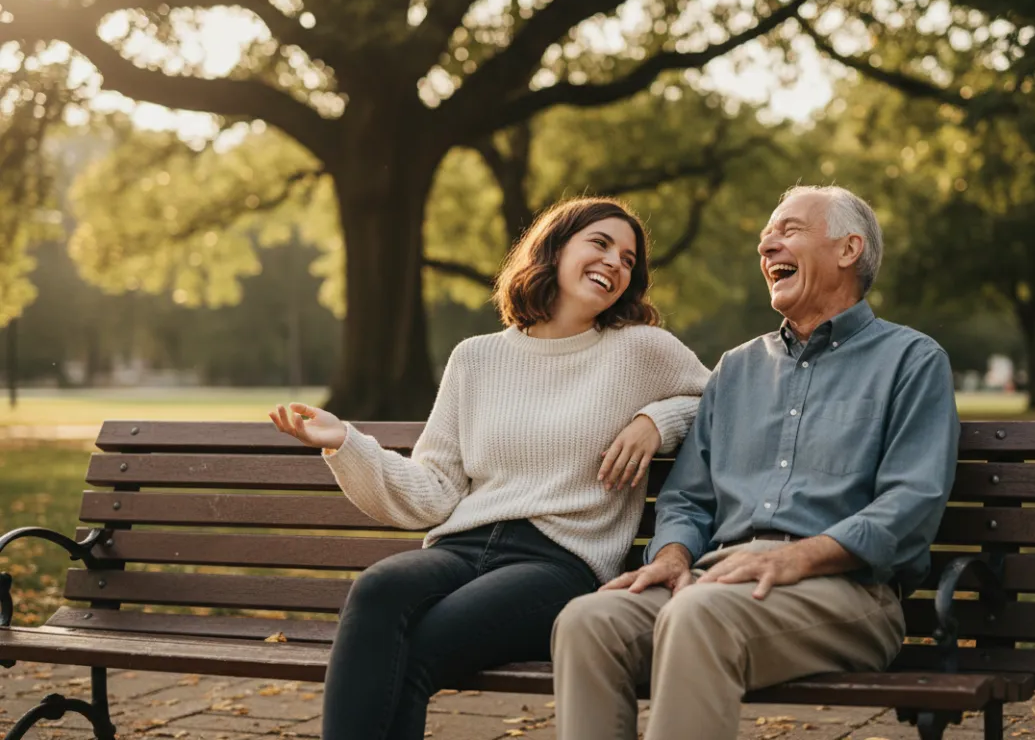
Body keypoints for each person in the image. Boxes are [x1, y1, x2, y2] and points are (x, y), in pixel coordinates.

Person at [269, 197, 710, 740]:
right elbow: (432, 491)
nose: (616, 262)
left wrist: (654, 421)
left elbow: (720, 401)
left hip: (559, 563)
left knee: (420, 648)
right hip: (462, 546)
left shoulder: (642, 351)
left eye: (628, 258)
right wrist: (346, 443)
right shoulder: (475, 358)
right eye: (600, 243)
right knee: (378, 588)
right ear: (553, 248)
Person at [552, 185, 960, 740]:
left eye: (788, 230)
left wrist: (798, 559)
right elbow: (688, 498)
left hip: (847, 592)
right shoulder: (736, 369)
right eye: (766, 235)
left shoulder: (911, 361)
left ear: (848, 249)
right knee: (587, 622)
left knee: (698, 616)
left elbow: (911, 503)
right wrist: (673, 555)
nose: (767, 245)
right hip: (718, 578)